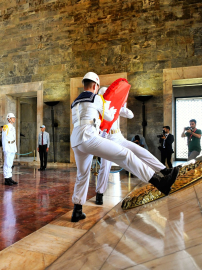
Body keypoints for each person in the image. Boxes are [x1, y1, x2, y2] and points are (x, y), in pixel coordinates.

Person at [70, 72, 179, 222]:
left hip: (76, 140)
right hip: (89, 137)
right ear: (95, 86)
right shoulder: (96, 98)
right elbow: (108, 117)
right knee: (125, 155)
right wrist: (111, 106)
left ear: (84, 84)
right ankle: (160, 183)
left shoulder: (75, 101)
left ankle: (77, 210)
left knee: (82, 175)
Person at [95, 86, 169, 205]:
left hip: (119, 137)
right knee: (105, 166)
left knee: (139, 150)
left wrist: (122, 105)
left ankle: (164, 170)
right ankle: (99, 194)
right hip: (107, 140)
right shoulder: (98, 108)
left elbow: (131, 115)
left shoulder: (115, 106)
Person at [2, 113, 18, 186]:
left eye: (14, 117)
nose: (14, 119)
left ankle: (10, 177)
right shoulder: (5, 127)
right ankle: (6, 179)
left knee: (10, 163)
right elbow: (4, 138)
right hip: (8, 147)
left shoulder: (13, 127)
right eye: (12, 118)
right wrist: (5, 148)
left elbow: (14, 138)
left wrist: (15, 148)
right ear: (9, 119)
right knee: (7, 163)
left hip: (12, 146)